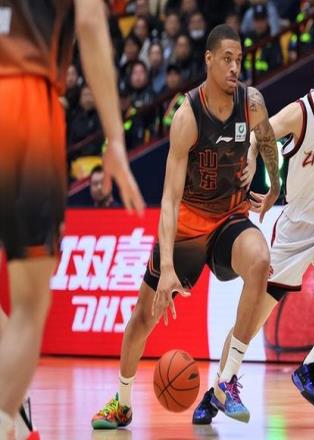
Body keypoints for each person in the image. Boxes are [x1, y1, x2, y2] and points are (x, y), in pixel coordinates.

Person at [91, 24, 280, 429]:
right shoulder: (187, 116)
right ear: (209, 60)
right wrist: (167, 268)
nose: (235, 67)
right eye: (227, 59)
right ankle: (122, 401)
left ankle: (226, 382)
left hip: (230, 218)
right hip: (187, 228)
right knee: (143, 317)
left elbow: (267, 140)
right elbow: (169, 199)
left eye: (239, 59)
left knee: (261, 262)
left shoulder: (253, 103)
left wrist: (274, 182)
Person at [193, 32, 314, 424]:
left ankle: (310, 366)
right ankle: (219, 387)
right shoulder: (299, 113)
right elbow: (260, 134)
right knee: (250, 322)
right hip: (293, 233)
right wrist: (253, 162)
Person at [0, 1, 145, 439]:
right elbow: (89, 20)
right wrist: (115, 139)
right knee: (29, 306)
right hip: (25, 99)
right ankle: (10, 413)